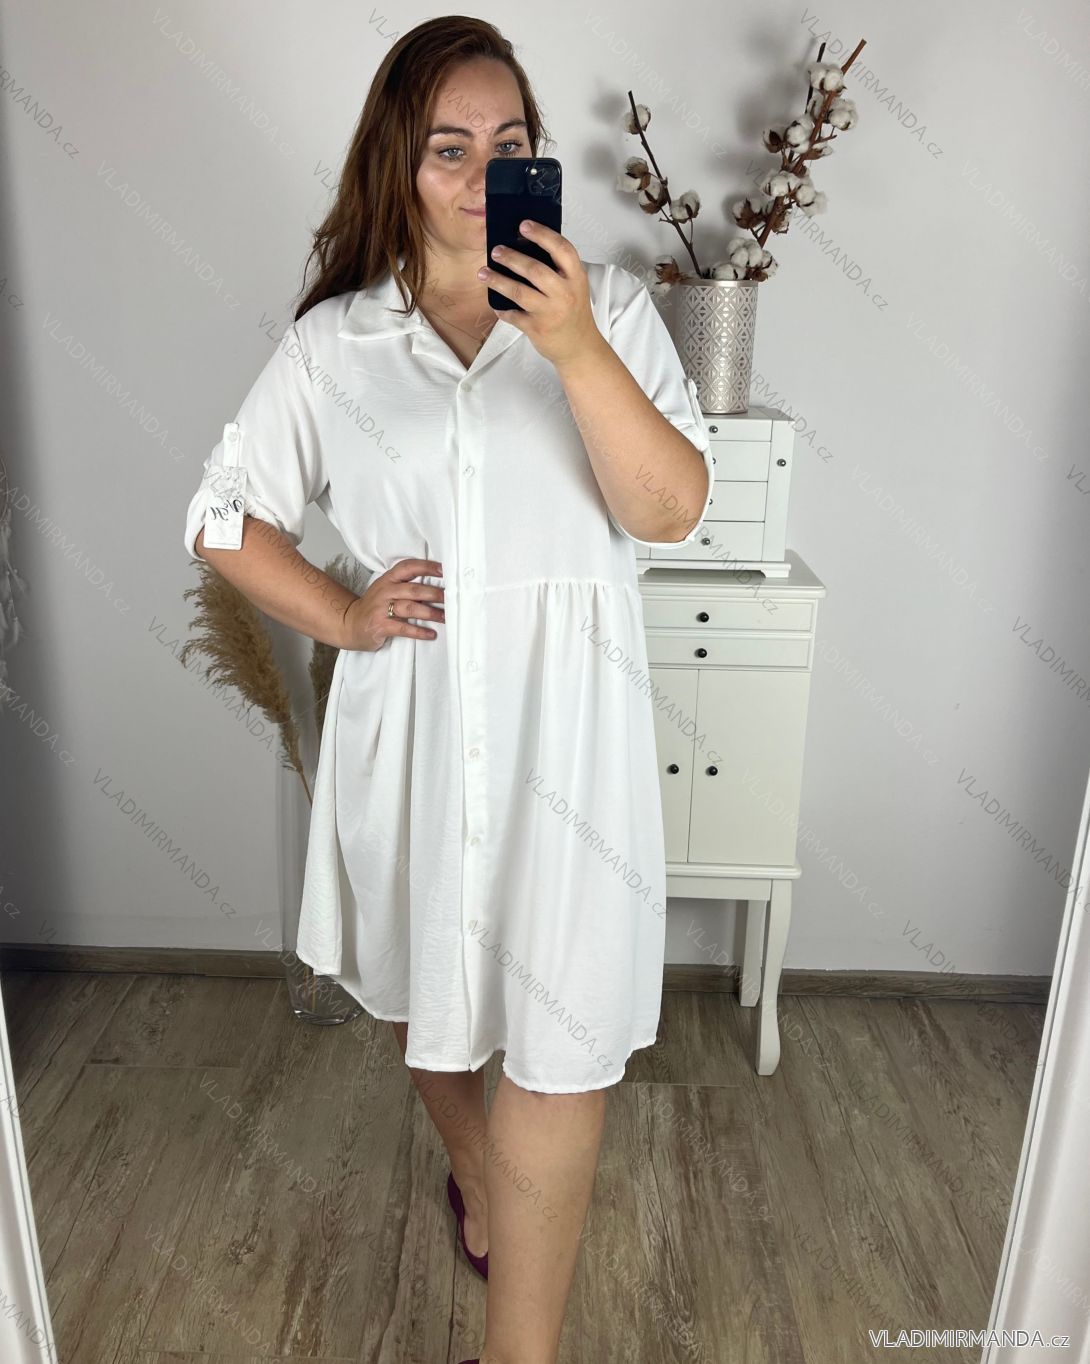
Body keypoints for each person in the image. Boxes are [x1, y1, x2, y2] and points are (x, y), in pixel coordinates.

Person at [182, 16, 713, 1364]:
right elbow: (223, 516)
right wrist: (344, 616)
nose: (483, 176)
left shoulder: (612, 314)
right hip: (412, 733)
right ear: (396, 166)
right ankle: (476, 1169)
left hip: (570, 744)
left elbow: (669, 510)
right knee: (433, 1010)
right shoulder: (336, 347)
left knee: (561, 1041)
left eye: (509, 145)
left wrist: (574, 345)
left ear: (541, 159)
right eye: (448, 150)